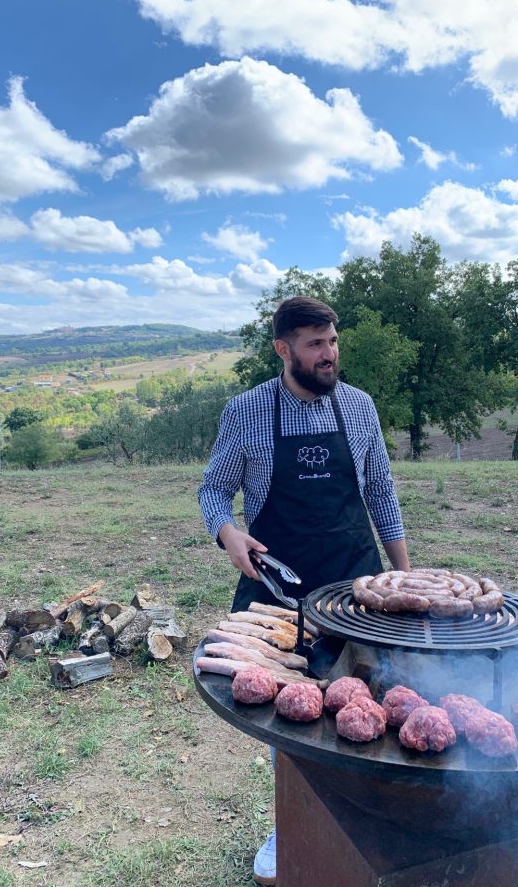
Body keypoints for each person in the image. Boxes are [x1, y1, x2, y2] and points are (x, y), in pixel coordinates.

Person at [198, 295, 409, 886]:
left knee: (369, 700)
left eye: (333, 342)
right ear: (283, 349)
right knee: (289, 714)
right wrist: (229, 536)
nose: (329, 355)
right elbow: (213, 490)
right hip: (281, 589)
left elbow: (382, 496)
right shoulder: (247, 411)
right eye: (315, 345)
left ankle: (365, 817)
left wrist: (403, 576)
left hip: (353, 587)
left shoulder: (359, 408)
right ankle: (291, 820)